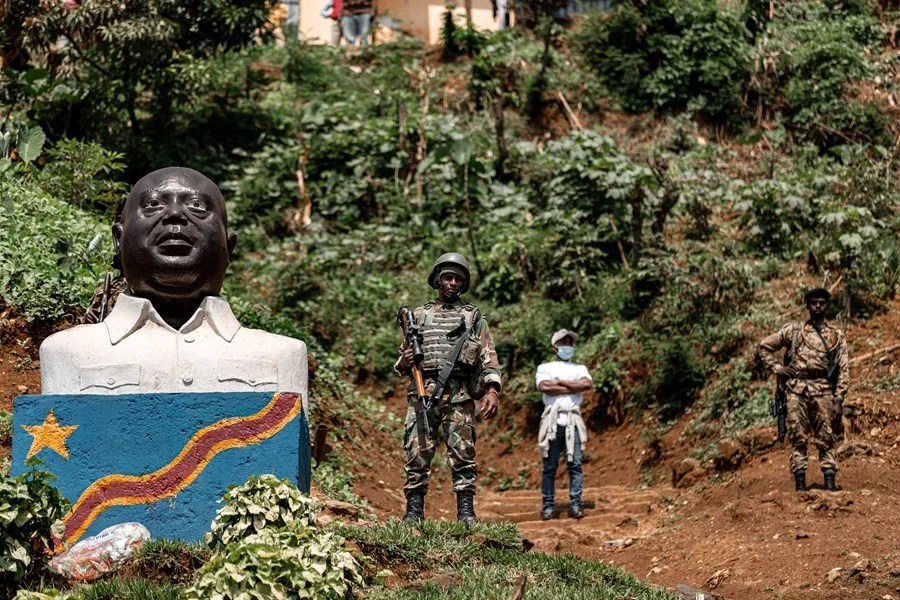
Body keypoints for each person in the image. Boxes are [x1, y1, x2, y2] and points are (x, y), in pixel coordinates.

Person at [40, 167, 308, 409]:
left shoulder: (282, 357)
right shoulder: (66, 352)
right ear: (118, 240)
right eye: (154, 204)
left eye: (197, 206)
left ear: (230, 247)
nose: (175, 214)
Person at [394, 252, 501, 524]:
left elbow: (488, 355)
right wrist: (405, 360)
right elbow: (402, 359)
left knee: (463, 453)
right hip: (422, 391)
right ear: (438, 280)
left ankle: (466, 512)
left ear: (463, 284)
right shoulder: (418, 316)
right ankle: (414, 511)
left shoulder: (473, 316)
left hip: (459, 393)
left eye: (458, 279)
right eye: (448, 277)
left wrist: (492, 390)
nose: (453, 283)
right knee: (417, 452)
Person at [758, 287, 848, 492]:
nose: (818, 306)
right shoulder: (794, 331)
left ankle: (830, 483)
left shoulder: (836, 336)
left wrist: (839, 399)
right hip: (796, 392)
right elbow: (764, 346)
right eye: (814, 302)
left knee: (826, 438)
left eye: (822, 303)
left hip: (824, 392)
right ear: (807, 305)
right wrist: (779, 368)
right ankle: (800, 485)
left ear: (827, 306)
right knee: (798, 438)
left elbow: (844, 369)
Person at [536, 329, 591, 520]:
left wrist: (560, 383)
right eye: (563, 342)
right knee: (549, 466)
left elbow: (586, 385)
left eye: (570, 342)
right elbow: (544, 387)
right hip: (552, 421)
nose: (567, 346)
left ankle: (576, 504)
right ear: (555, 347)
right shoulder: (545, 367)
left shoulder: (579, 368)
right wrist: (571, 386)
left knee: (575, 464)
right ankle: (548, 506)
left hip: (573, 421)